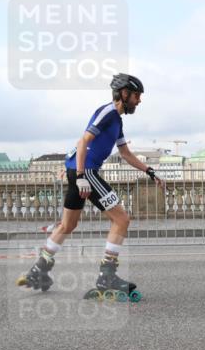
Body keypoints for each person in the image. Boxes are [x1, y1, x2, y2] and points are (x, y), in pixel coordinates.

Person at [18, 73, 165, 295]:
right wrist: (81, 176)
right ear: (124, 94)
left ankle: (38, 269)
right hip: (85, 171)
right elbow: (83, 141)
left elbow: (125, 153)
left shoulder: (117, 121)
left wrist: (149, 171)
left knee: (67, 225)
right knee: (122, 220)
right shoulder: (108, 112)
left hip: (77, 170)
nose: (139, 101)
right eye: (137, 96)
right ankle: (107, 276)